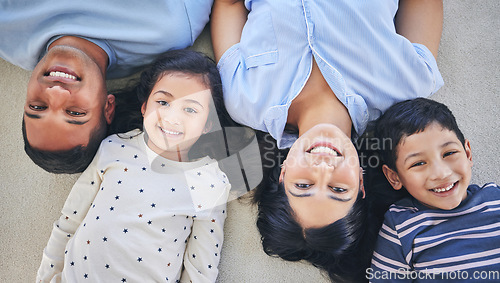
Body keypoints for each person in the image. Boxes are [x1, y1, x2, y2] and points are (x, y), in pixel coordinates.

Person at [211, 0, 444, 281]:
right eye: (338, 188)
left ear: (282, 174)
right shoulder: (410, 83)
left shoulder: (243, 100)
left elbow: (228, 4)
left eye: (304, 185)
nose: (323, 167)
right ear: (360, 182)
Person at [36, 50, 232, 282]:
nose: (172, 117)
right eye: (163, 102)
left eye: (190, 109)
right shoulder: (114, 147)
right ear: (144, 107)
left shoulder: (209, 182)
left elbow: (201, 269)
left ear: (208, 124)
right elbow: (69, 221)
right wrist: (46, 277)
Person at [0, 0, 213, 173]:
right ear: (108, 107)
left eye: (37, 107)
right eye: (75, 112)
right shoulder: (169, 28)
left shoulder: (6, 32)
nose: (55, 92)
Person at [370, 98, 500, 281]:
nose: (441, 173)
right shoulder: (400, 224)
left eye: (449, 153)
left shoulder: (494, 199)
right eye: (419, 163)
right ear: (394, 177)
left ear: (468, 153)